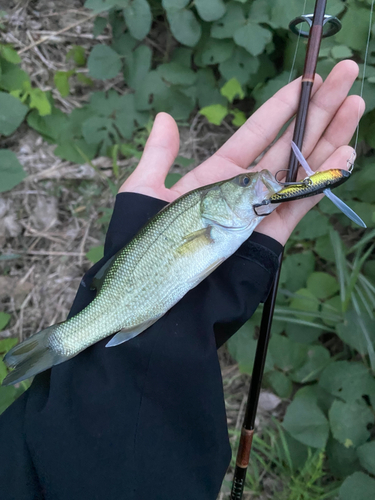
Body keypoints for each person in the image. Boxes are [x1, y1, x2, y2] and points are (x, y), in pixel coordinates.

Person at [0, 61, 364, 500]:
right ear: (217, 203)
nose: (258, 184)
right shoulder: (212, 220)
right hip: (135, 302)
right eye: (246, 182)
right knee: (85, 328)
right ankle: (59, 342)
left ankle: (58, 344)